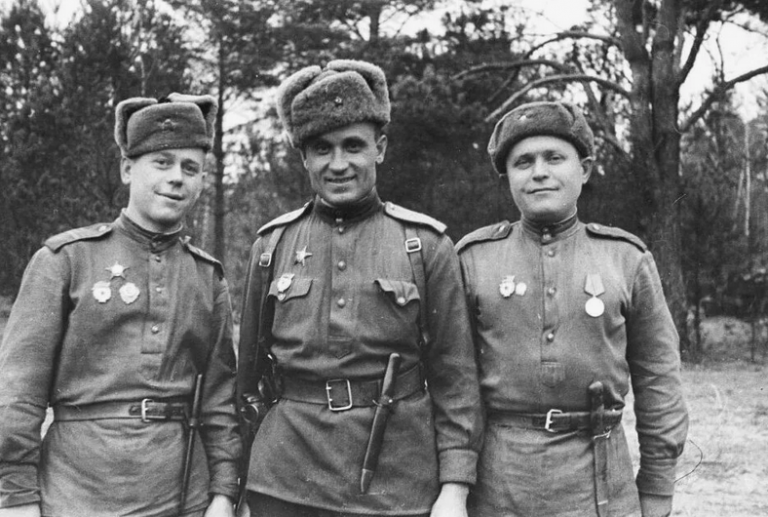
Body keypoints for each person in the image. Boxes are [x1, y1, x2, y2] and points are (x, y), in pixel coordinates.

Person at [237, 59, 483, 517]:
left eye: (353, 146)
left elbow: (456, 380)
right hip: (286, 480)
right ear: (304, 157)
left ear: (380, 148)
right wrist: (238, 487)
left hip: (394, 480)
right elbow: (246, 379)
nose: (339, 164)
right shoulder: (272, 247)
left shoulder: (425, 246)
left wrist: (455, 486)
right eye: (322, 149)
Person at [0, 93, 241, 517]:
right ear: (128, 169)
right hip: (77, 491)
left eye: (190, 168)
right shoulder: (66, 260)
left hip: (180, 493)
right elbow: (19, 392)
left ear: (203, 180)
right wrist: (16, 497)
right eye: (162, 162)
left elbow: (220, 401)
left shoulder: (207, 277)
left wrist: (223, 493)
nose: (177, 178)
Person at [456, 101, 689, 517]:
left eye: (554, 158)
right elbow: (451, 384)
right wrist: (454, 485)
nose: (539, 172)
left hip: (600, 481)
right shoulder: (473, 259)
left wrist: (657, 489)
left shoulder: (626, 258)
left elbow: (659, 380)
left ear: (584, 170)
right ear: (507, 178)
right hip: (498, 483)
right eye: (523, 162)